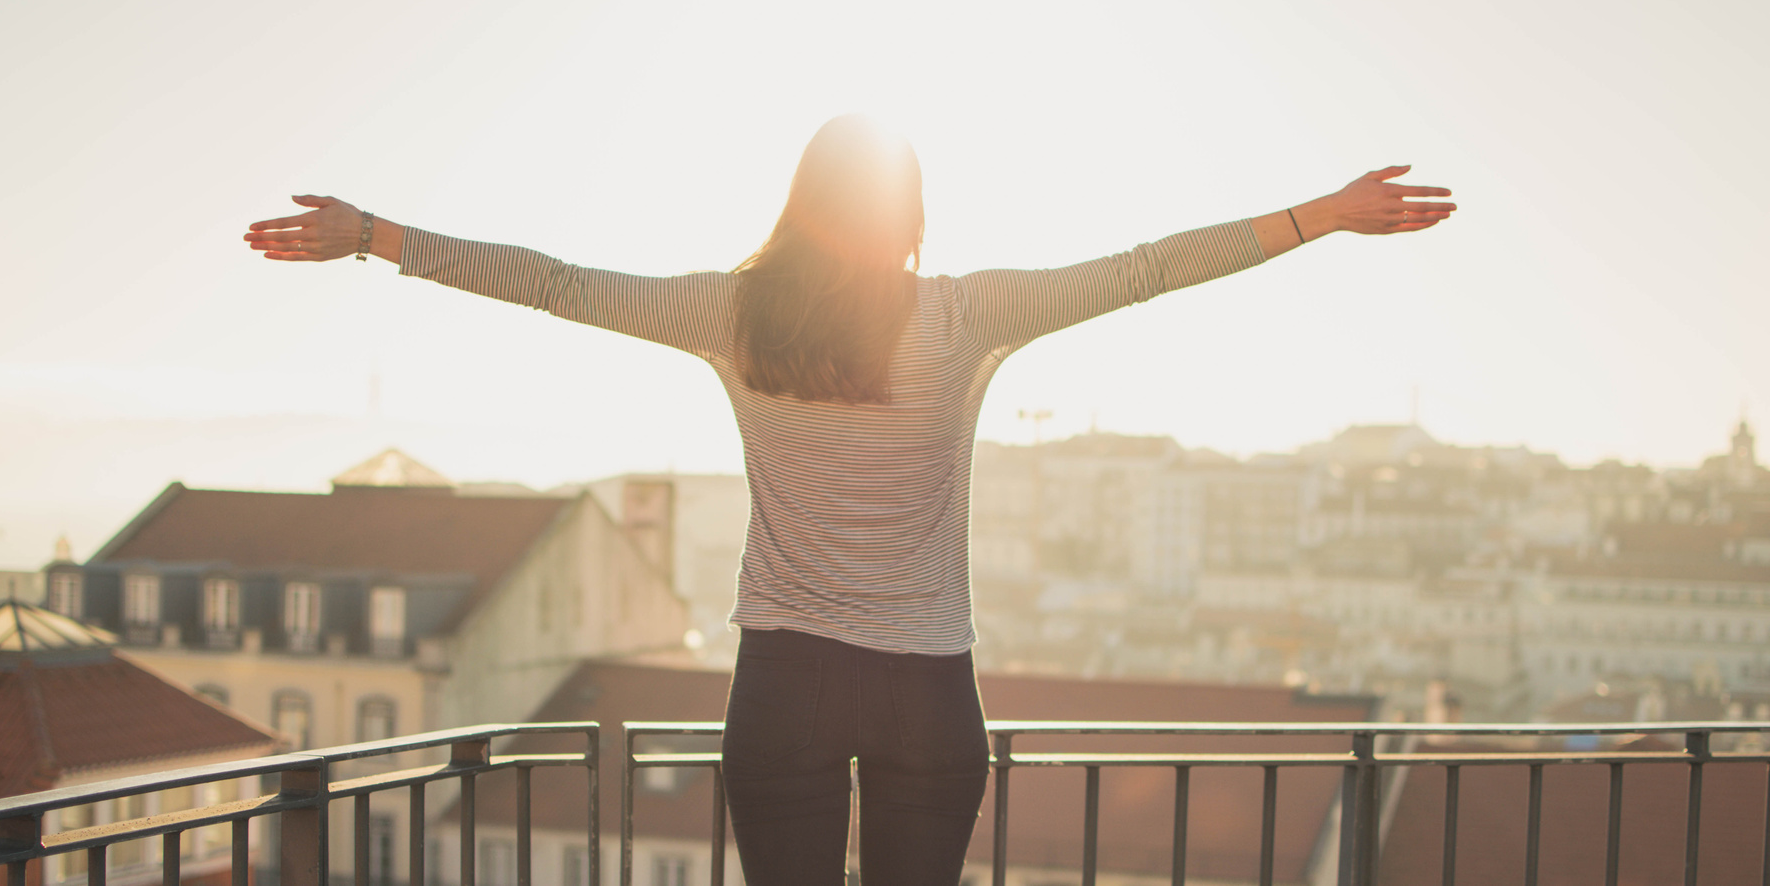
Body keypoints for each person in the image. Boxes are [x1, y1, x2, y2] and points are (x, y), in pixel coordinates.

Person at [245, 114, 1454, 885]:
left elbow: (560, 285)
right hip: (930, 685)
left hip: (785, 680)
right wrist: (1320, 219)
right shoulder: (965, 313)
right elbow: (1141, 272)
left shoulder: (731, 311)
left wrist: (377, 236)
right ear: (913, 215)